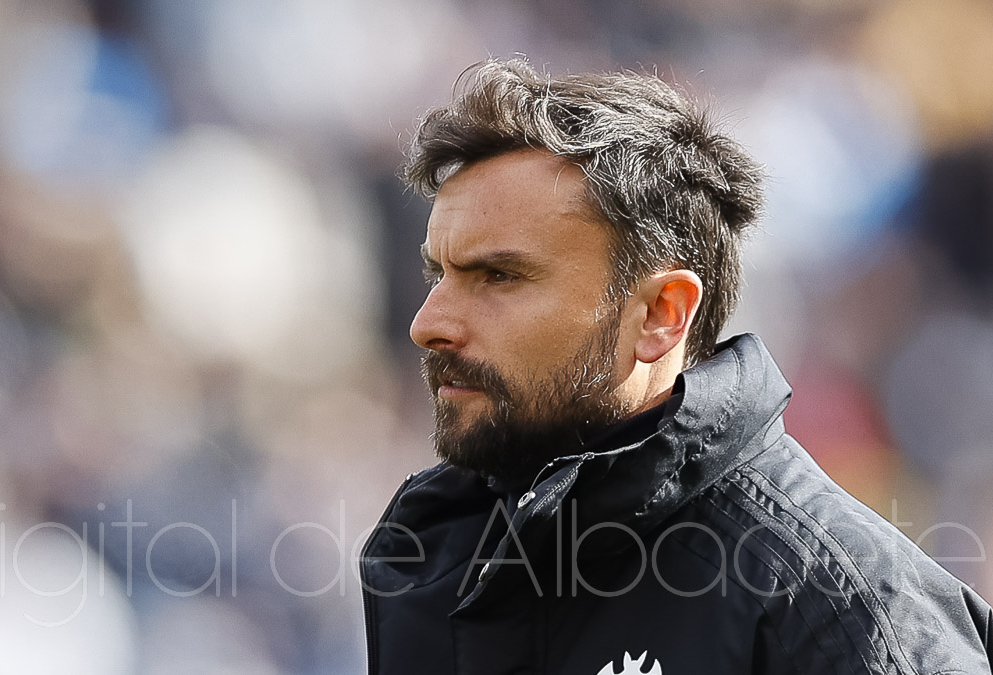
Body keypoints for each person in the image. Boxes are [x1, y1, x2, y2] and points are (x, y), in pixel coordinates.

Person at [360, 58, 993, 675]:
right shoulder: (442, 558)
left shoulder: (838, 605)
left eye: (498, 276)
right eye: (438, 274)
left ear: (662, 314)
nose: (427, 323)